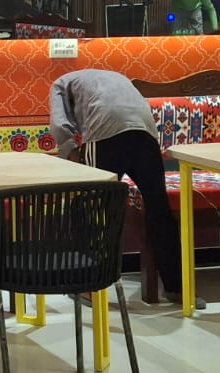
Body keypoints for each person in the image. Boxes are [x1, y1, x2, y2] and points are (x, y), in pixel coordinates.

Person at [49, 68, 195, 306]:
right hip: (145, 132)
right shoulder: (118, 78)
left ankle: (88, 285)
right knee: (159, 209)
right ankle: (177, 288)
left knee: (90, 207)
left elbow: (59, 124)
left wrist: (72, 153)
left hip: (105, 132)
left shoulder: (60, 84)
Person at [153, 0, 217, 34]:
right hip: (177, 9)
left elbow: (210, 9)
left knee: (198, 31)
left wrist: (215, 28)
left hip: (195, 9)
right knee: (175, 30)